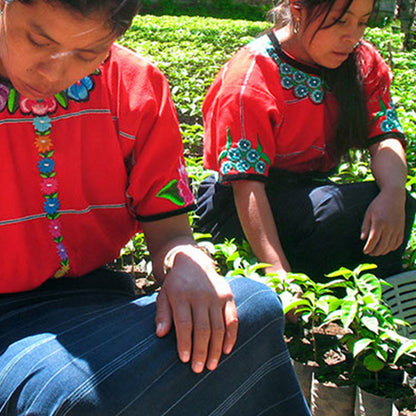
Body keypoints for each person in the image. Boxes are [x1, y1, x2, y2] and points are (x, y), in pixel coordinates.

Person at [0, 0, 312, 415]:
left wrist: (187, 263)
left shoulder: (136, 86)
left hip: (97, 298)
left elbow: (171, 233)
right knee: (74, 394)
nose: (53, 72)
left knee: (253, 308)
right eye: (38, 41)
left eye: (87, 55)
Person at [196, 0, 416, 282]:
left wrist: (394, 193)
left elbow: (384, 135)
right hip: (239, 208)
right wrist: (278, 274)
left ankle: (375, 291)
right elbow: (246, 186)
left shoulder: (361, 61)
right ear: (298, 11)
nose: (353, 36)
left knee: (395, 205)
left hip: (306, 194)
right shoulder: (251, 76)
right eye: (340, 21)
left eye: (362, 22)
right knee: (337, 213)